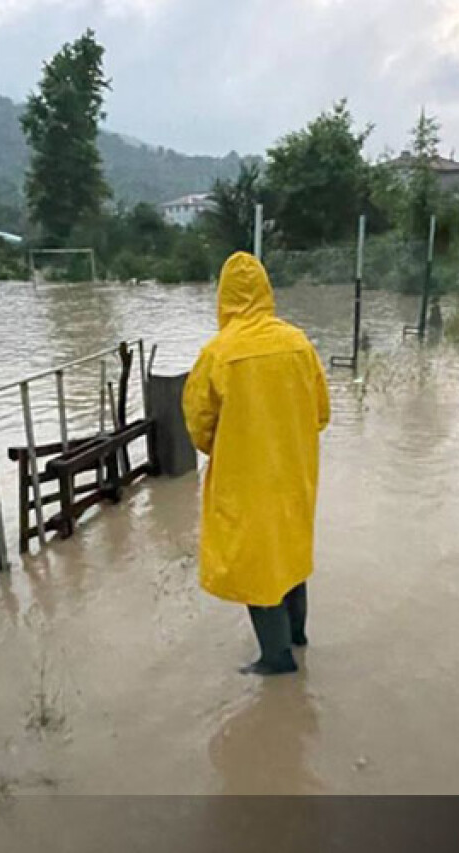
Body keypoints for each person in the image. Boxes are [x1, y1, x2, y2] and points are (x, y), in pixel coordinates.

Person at [183, 251, 330, 676]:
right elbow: (321, 413)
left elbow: (199, 425)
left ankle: (276, 658)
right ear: (266, 290)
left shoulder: (218, 354)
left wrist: (235, 446)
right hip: (294, 473)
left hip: (246, 479)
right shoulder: (298, 343)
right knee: (290, 554)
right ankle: (297, 635)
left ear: (224, 298)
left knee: (256, 562)